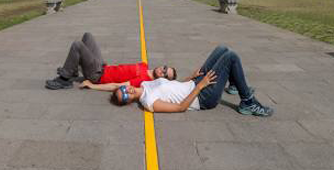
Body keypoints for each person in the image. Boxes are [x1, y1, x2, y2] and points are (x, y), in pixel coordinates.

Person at [111, 45, 273, 117]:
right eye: (124, 95)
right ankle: (247, 101)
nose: (127, 91)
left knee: (222, 49)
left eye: (123, 89)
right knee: (231, 57)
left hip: (194, 84)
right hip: (202, 97)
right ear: (128, 101)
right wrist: (201, 86)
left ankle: (234, 83)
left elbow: (172, 87)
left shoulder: (144, 84)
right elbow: (180, 107)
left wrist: (191, 78)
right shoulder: (148, 102)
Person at [45, 32, 177, 90]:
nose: (162, 71)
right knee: (88, 35)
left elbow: (117, 86)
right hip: (102, 66)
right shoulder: (144, 65)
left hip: (97, 76)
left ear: (162, 79)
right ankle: (73, 70)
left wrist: (92, 86)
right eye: (165, 68)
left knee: (77, 45)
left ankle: (64, 79)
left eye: (165, 75)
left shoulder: (143, 81)